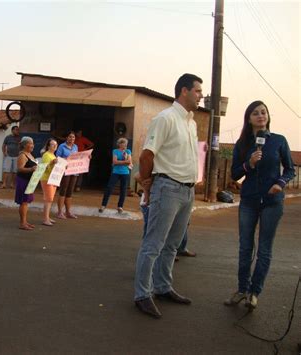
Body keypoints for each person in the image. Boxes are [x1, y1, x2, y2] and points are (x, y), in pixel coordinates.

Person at [134, 73, 203, 319]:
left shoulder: (191, 123)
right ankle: (142, 294)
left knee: (173, 245)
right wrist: (148, 186)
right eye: (197, 91)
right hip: (168, 187)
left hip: (187, 190)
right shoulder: (165, 118)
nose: (201, 95)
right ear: (184, 91)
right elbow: (146, 155)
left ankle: (162, 287)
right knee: (153, 244)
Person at [224, 100, 294, 310]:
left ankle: (254, 292)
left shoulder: (279, 141)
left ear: (268, 116)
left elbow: (290, 169)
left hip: (272, 202)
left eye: (264, 112)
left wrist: (280, 184)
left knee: (264, 249)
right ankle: (241, 289)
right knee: (245, 248)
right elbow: (235, 173)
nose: (261, 116)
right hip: (249, 201)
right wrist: (249, 163)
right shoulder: (243, 143)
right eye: (256, 113)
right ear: (249, 118)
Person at [99, 138, 132, 213]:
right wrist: (124, 162)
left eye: (125, 143)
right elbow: (114, 161)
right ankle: (103, 205)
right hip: (116, 172)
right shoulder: (115, 151)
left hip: (125, 172)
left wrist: (119, 162)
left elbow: (129, 161)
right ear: (119, 144)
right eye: (123, 143)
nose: (125, 144)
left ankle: (120, 207)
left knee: (123, 190)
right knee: (109, 188)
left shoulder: (128, 151)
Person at [15, 136, 38, 230]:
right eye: (30, 143)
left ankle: (25, 221)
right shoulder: (22, 155)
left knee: (26, 202)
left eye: (33, 143)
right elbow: (20, 168)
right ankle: (22, 223)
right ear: (25, 145)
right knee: (24, 202)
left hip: (29, 181)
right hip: (23, 181)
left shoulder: (30, 155)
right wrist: (31, 169)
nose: (32, 145)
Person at [55, 131, 79, 219]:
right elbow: (57, 158)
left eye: (73, 137)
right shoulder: (62, 146)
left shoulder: (75, 146)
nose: (71, 139)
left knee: (70, 191)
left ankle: (68, 212)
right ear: (66, 138)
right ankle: (60, 212)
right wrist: (67, 158)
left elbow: (77, 157)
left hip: (74, 171)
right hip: (64, 171)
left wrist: (85, 157)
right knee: (63, 190)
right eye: (70, 137)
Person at [40, 138, 58, 226]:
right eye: (52, 144)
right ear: (48, 146)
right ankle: (45, 219)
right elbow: (45, 167)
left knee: (50, 199)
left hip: (53, 178)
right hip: (47, 178)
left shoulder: (53, 155)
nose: (54, 146)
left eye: (56, 144)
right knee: (48, 199)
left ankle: (47, 217)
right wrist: (52, 163)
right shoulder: (46, 155)